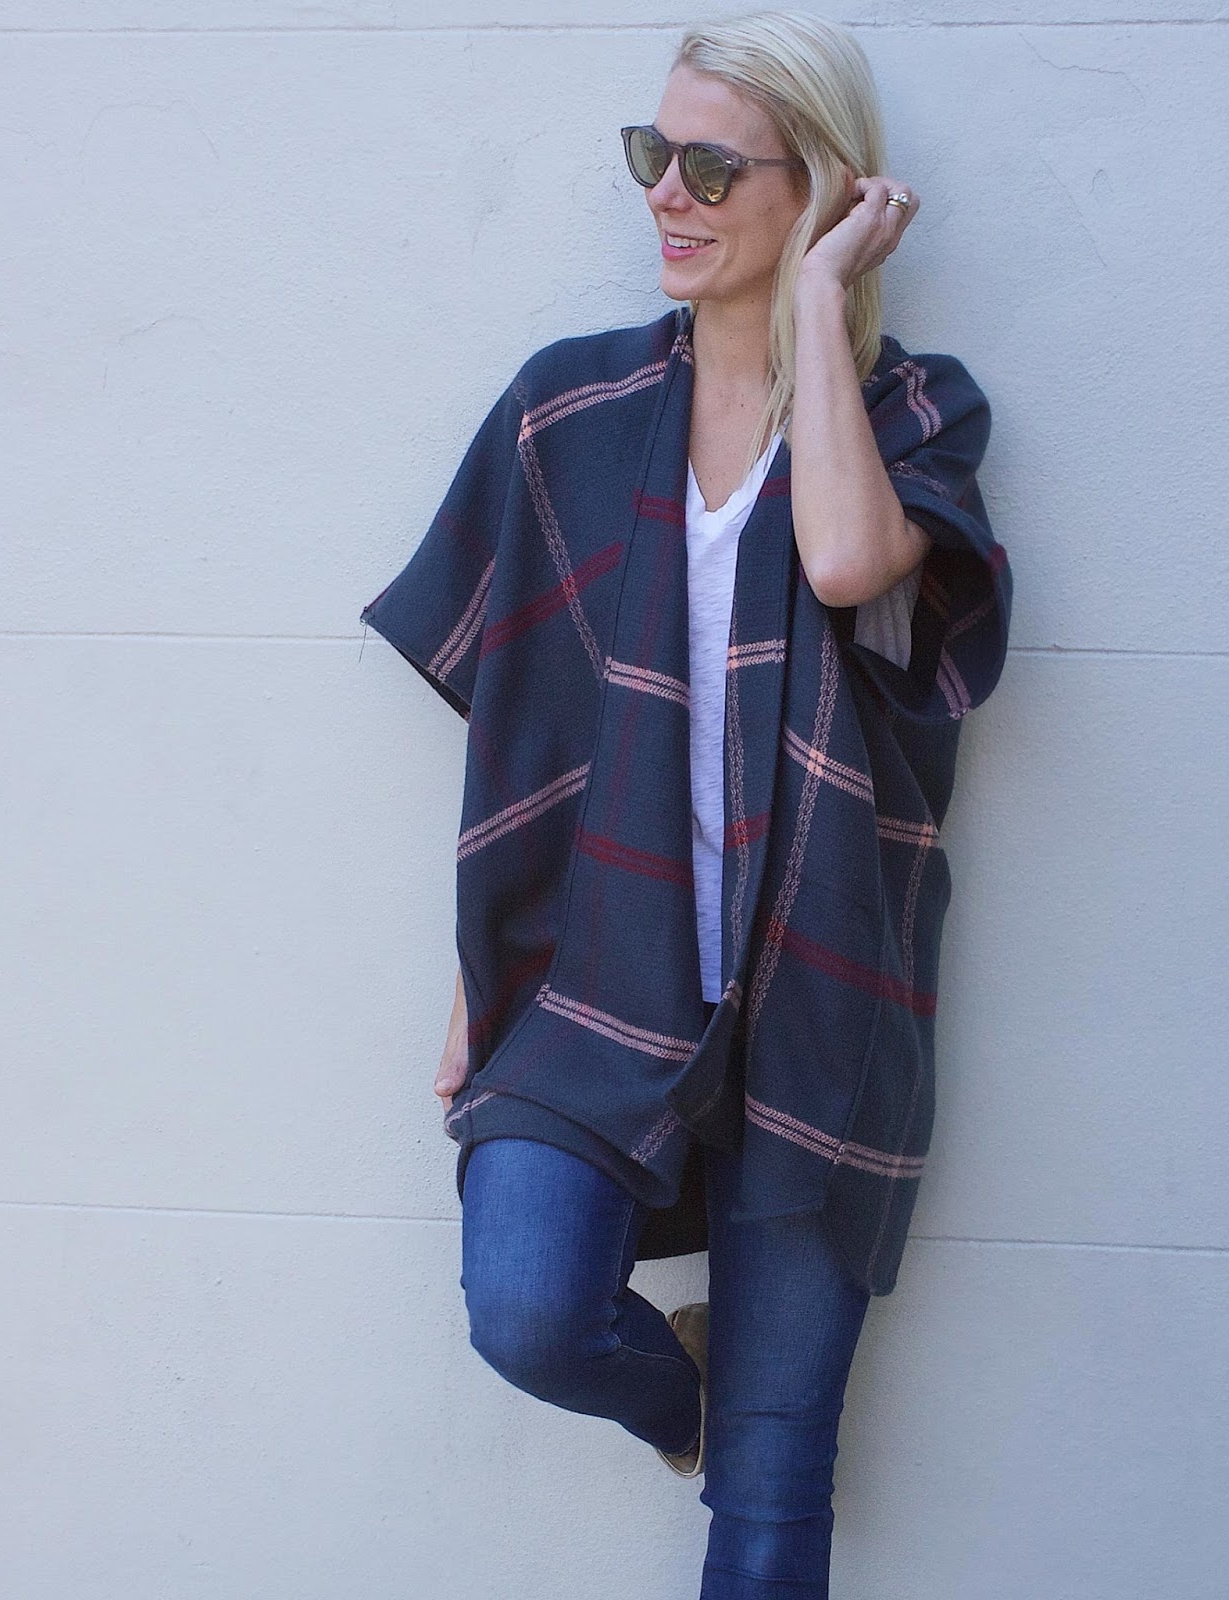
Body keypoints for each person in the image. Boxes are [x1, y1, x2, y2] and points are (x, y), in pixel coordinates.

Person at [360, 10, 1012, 1596]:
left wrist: (816, 308)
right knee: (529, 1310)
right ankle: (684, 1392)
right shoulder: (567, 414)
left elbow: (847, 563)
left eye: (715, 167)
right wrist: (478, 976)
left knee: (775, 1501)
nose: (666, 192)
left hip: (821, 1001)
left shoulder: (915, 417)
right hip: (594, 977)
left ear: (823, 189)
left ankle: (746, 1424)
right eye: (654, 153)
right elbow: (525, 735)